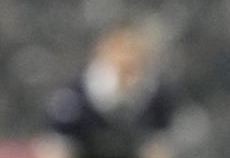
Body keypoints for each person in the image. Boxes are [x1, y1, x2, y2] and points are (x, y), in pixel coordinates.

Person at [45, 26, 176, 158]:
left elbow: (157, 146)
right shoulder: (74, 96)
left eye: (134, 50)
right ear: (103, 49)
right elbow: (60, 147)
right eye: (121, 49)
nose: (128, 58)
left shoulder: (156, 96)